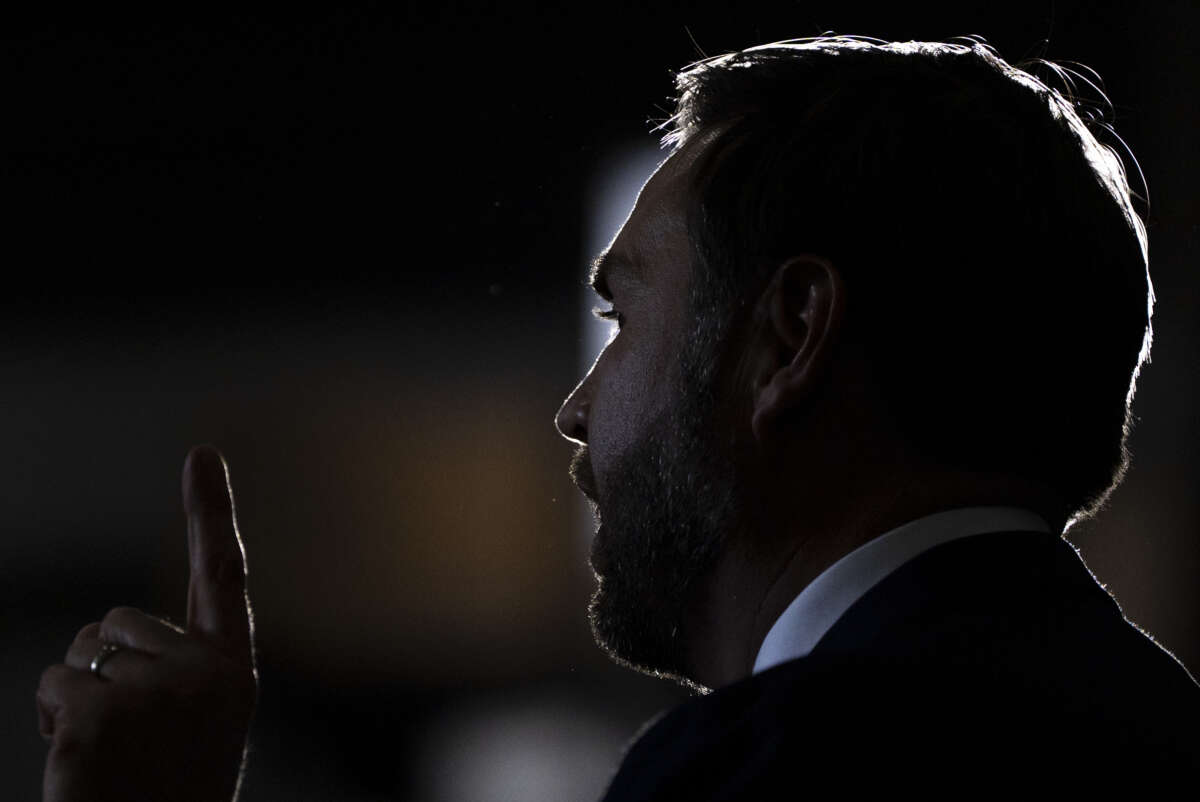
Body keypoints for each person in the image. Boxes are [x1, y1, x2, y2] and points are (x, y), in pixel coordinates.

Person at [35, 34, 1199, 800]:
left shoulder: (777, 768)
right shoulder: (1161, 729)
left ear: (789, 336)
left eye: (624, 317)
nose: (578, 409)